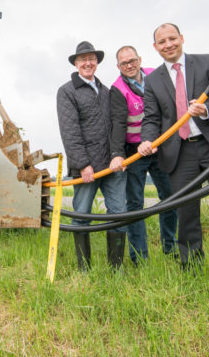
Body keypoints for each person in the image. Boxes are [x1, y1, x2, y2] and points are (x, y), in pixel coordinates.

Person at [138, 23, 209, 277]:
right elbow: (151, 118)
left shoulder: (207, 62)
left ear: (182, 38)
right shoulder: (153, 80)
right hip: (179, 153)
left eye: (172, 39)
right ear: (155, 47)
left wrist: (207, 109)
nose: (168, 44)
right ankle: (191, 268)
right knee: (186, 211)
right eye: (162, 41)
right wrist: (147, 140)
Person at [56, 41, 127, 270]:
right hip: (87, 168)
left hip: (113, 165)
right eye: (83, 59)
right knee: (81, 215)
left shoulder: (107, 91)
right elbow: (70, 131)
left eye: (92, 59)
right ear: (76, 64)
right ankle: (84, 269)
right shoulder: (67, 91)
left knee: (118, 214)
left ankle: (115, 269)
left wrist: (119, 155)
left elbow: (117, 125)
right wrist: (82, 164)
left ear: (97, 63)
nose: (88, 63)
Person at [109, 45, 177, 264]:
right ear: (118, 66)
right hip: (134, 153)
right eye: (124, 63)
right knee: (134, 205)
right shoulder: (117, 89)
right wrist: (118, 154)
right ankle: (139, 256)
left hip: (160, 147)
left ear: (139, 59)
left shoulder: (156, 74)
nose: (129, 66)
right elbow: (118, 123)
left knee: (170, 197)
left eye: (132, 60)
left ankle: (171, 246)